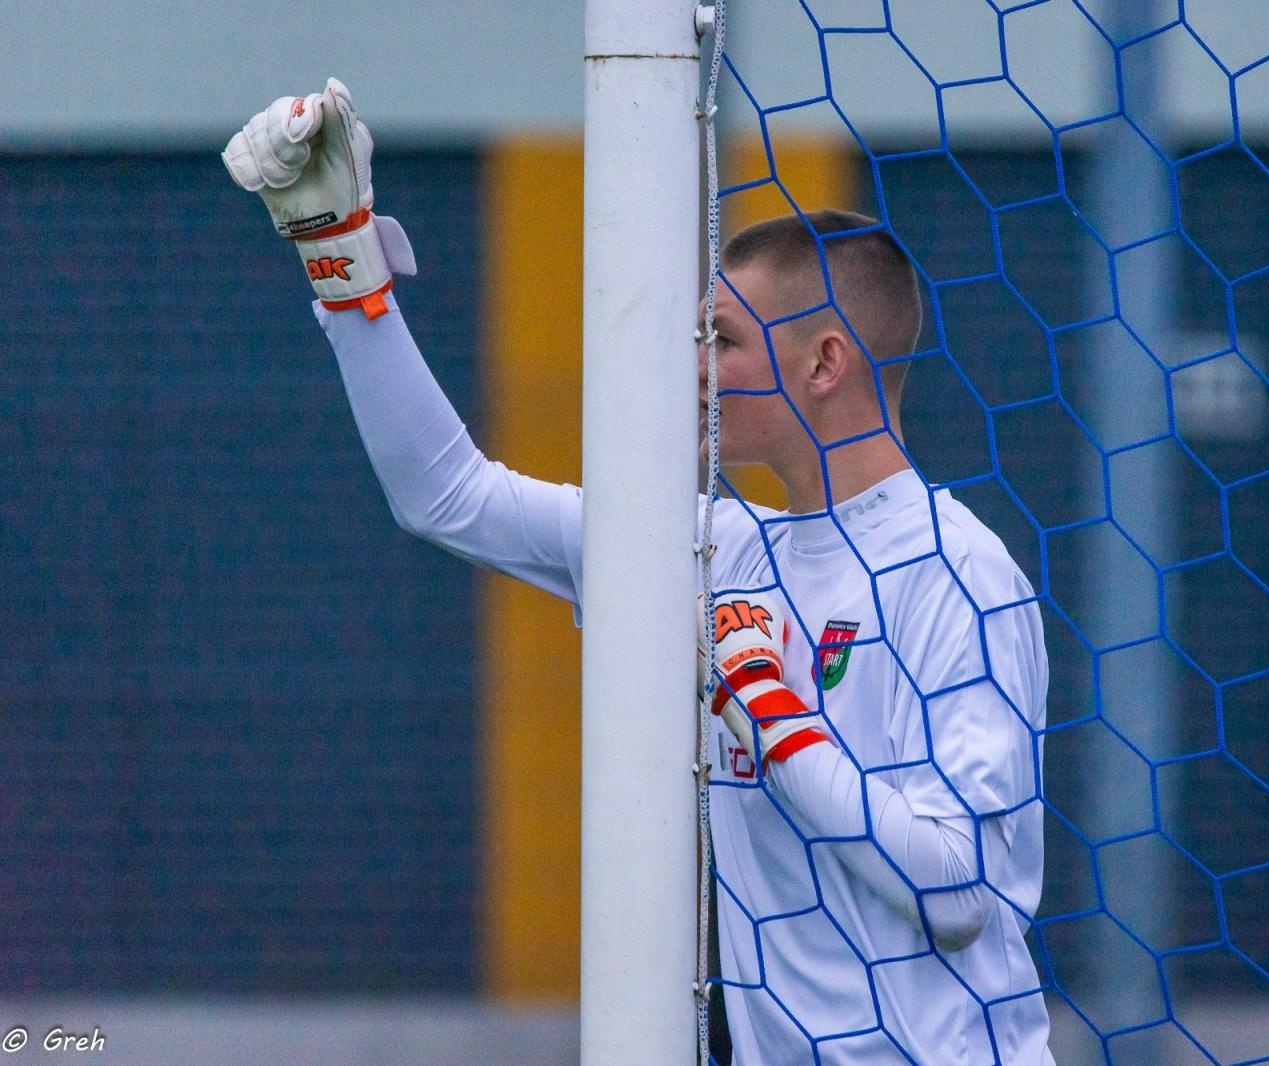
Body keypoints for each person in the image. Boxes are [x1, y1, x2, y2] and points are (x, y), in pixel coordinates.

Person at [224, 79, 1054, 1065]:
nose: (693, 365)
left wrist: (769, 705)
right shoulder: (713, 553)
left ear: (825, 364)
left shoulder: (959, 573)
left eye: (724, 340)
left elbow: (957, 893)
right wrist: (339, 257)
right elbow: (447, 496)